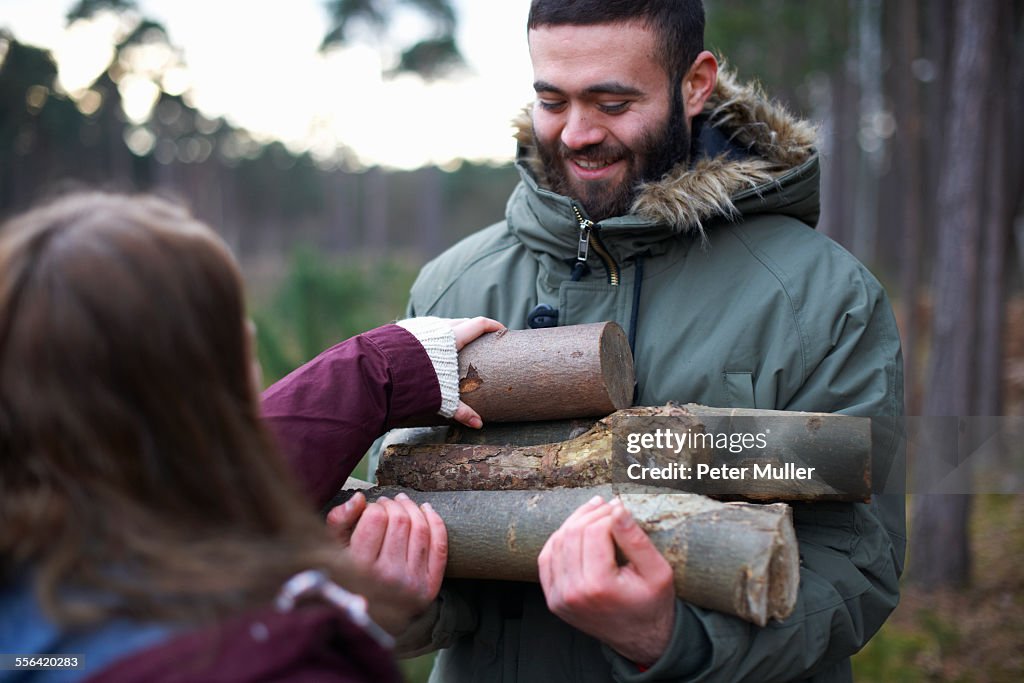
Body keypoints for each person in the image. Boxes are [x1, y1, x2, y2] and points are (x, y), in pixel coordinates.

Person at [368, 1, 905, 681]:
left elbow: (858, 563)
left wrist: (672, 639)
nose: (577, 133)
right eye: (552, 100)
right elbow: (416, 540)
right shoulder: (452, 288)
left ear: (695, 83)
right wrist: (394, 602)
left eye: (613, 102)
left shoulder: (819, 299)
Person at [0, 191, 502, 681]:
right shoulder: (275, 662)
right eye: (241, 343)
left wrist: (383, 369)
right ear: (212, 388)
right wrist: (349, 622)